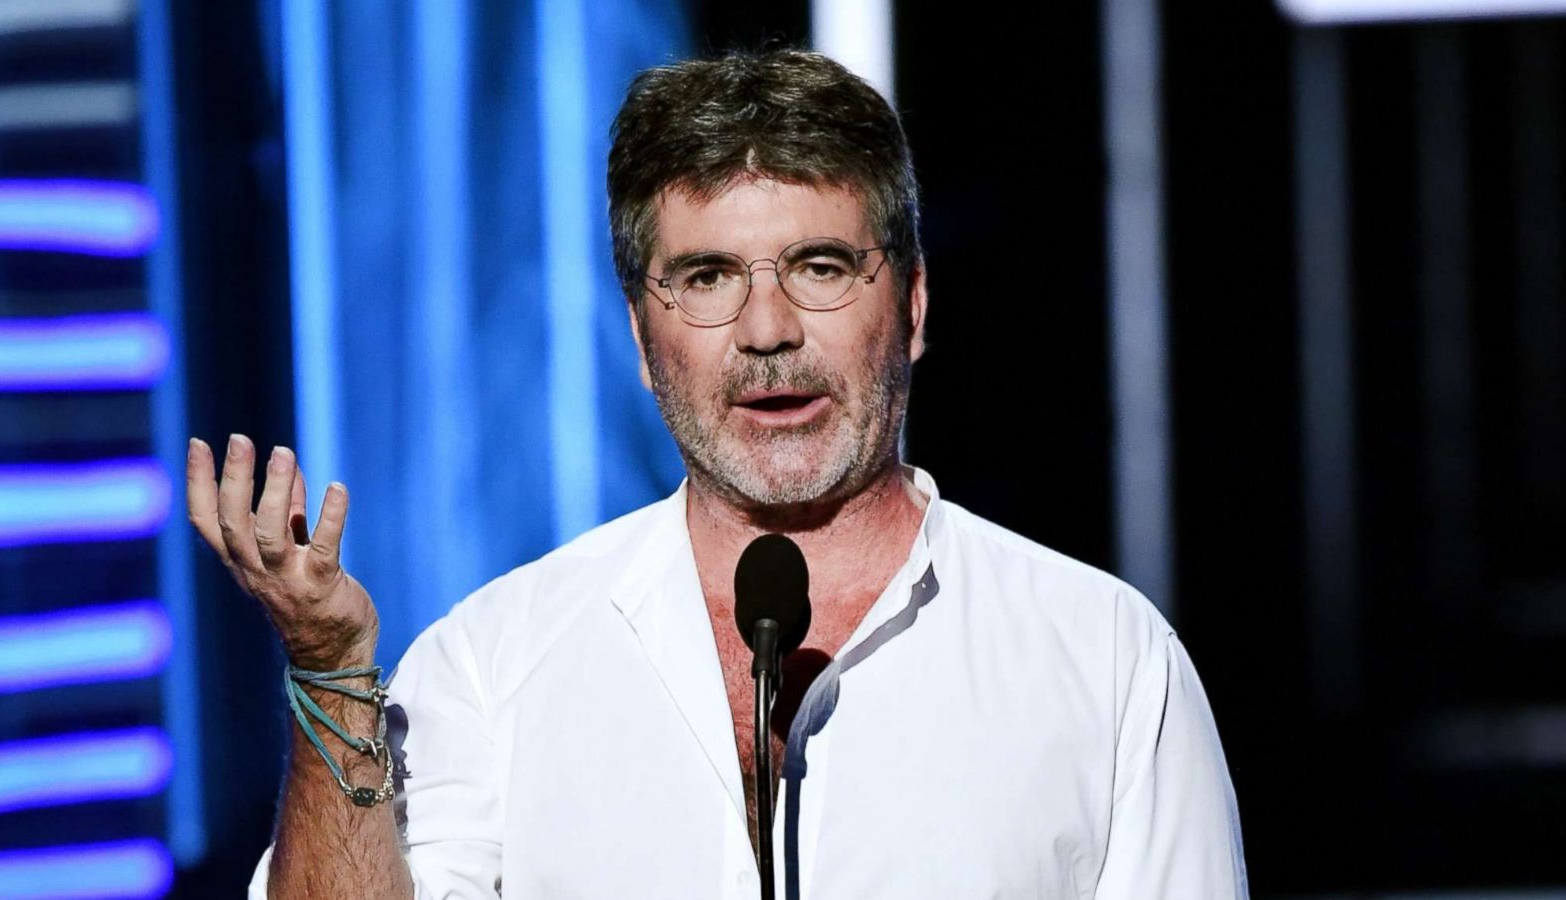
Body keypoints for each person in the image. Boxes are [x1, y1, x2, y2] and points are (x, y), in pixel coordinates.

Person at [188, 47, 1248, 900]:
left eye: (820, 268)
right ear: (645, 343)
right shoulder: (489, 664)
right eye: (706, 278)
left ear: (914, 307)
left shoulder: (1106, 663)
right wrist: (331, 666)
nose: (767, 332)